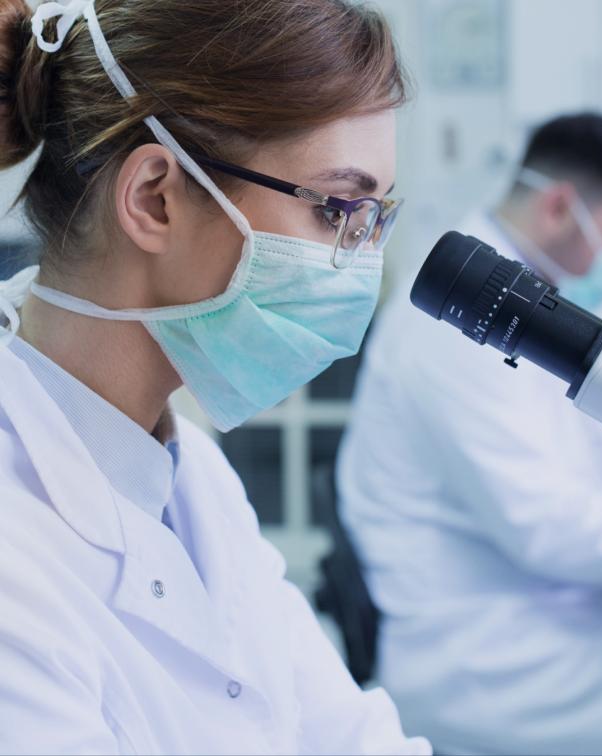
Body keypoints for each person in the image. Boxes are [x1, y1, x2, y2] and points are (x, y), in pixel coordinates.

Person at [0, 0, 430, 753]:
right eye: (336, 211)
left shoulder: (191, 471)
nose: (362, 265)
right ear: (154, 198)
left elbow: (349, 735)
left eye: (372, 221)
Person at [338, 114, 602, 756]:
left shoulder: (527, 304)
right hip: (497, 668)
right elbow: (551, 528)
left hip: (558, 631)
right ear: (561, 206)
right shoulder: (463, 324)